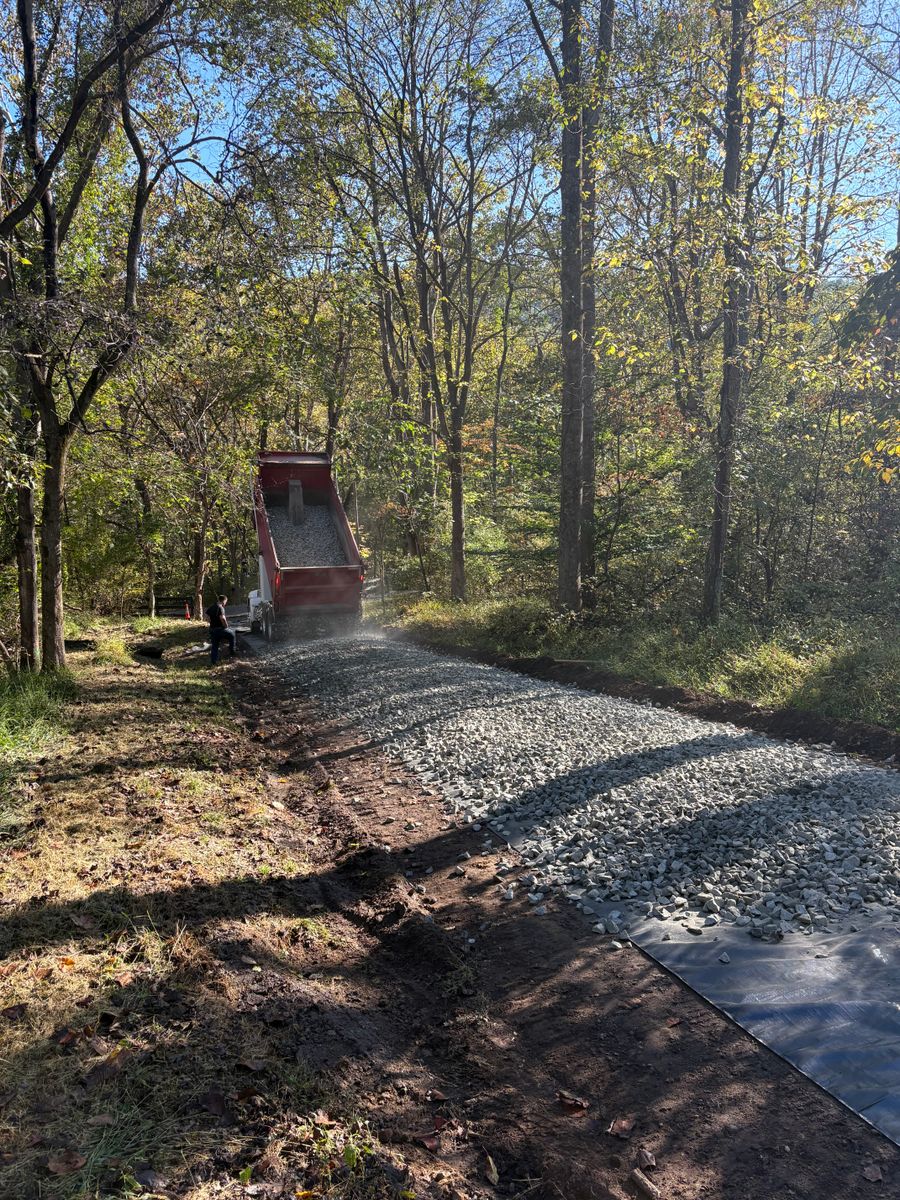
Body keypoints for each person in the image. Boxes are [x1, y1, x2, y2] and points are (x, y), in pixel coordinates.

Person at [207, 594, 236, 664]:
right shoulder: (221, 608)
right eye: (226, 602)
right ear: (224, 601)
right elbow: (222, 618)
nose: (225, 603)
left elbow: (207, 618)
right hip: (220, 629)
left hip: (212, 629)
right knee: (232, 634)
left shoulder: (211, 607)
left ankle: (214, 661)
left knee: (215, 645)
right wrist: (226, 626)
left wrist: (212, 623)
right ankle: (232, 651)